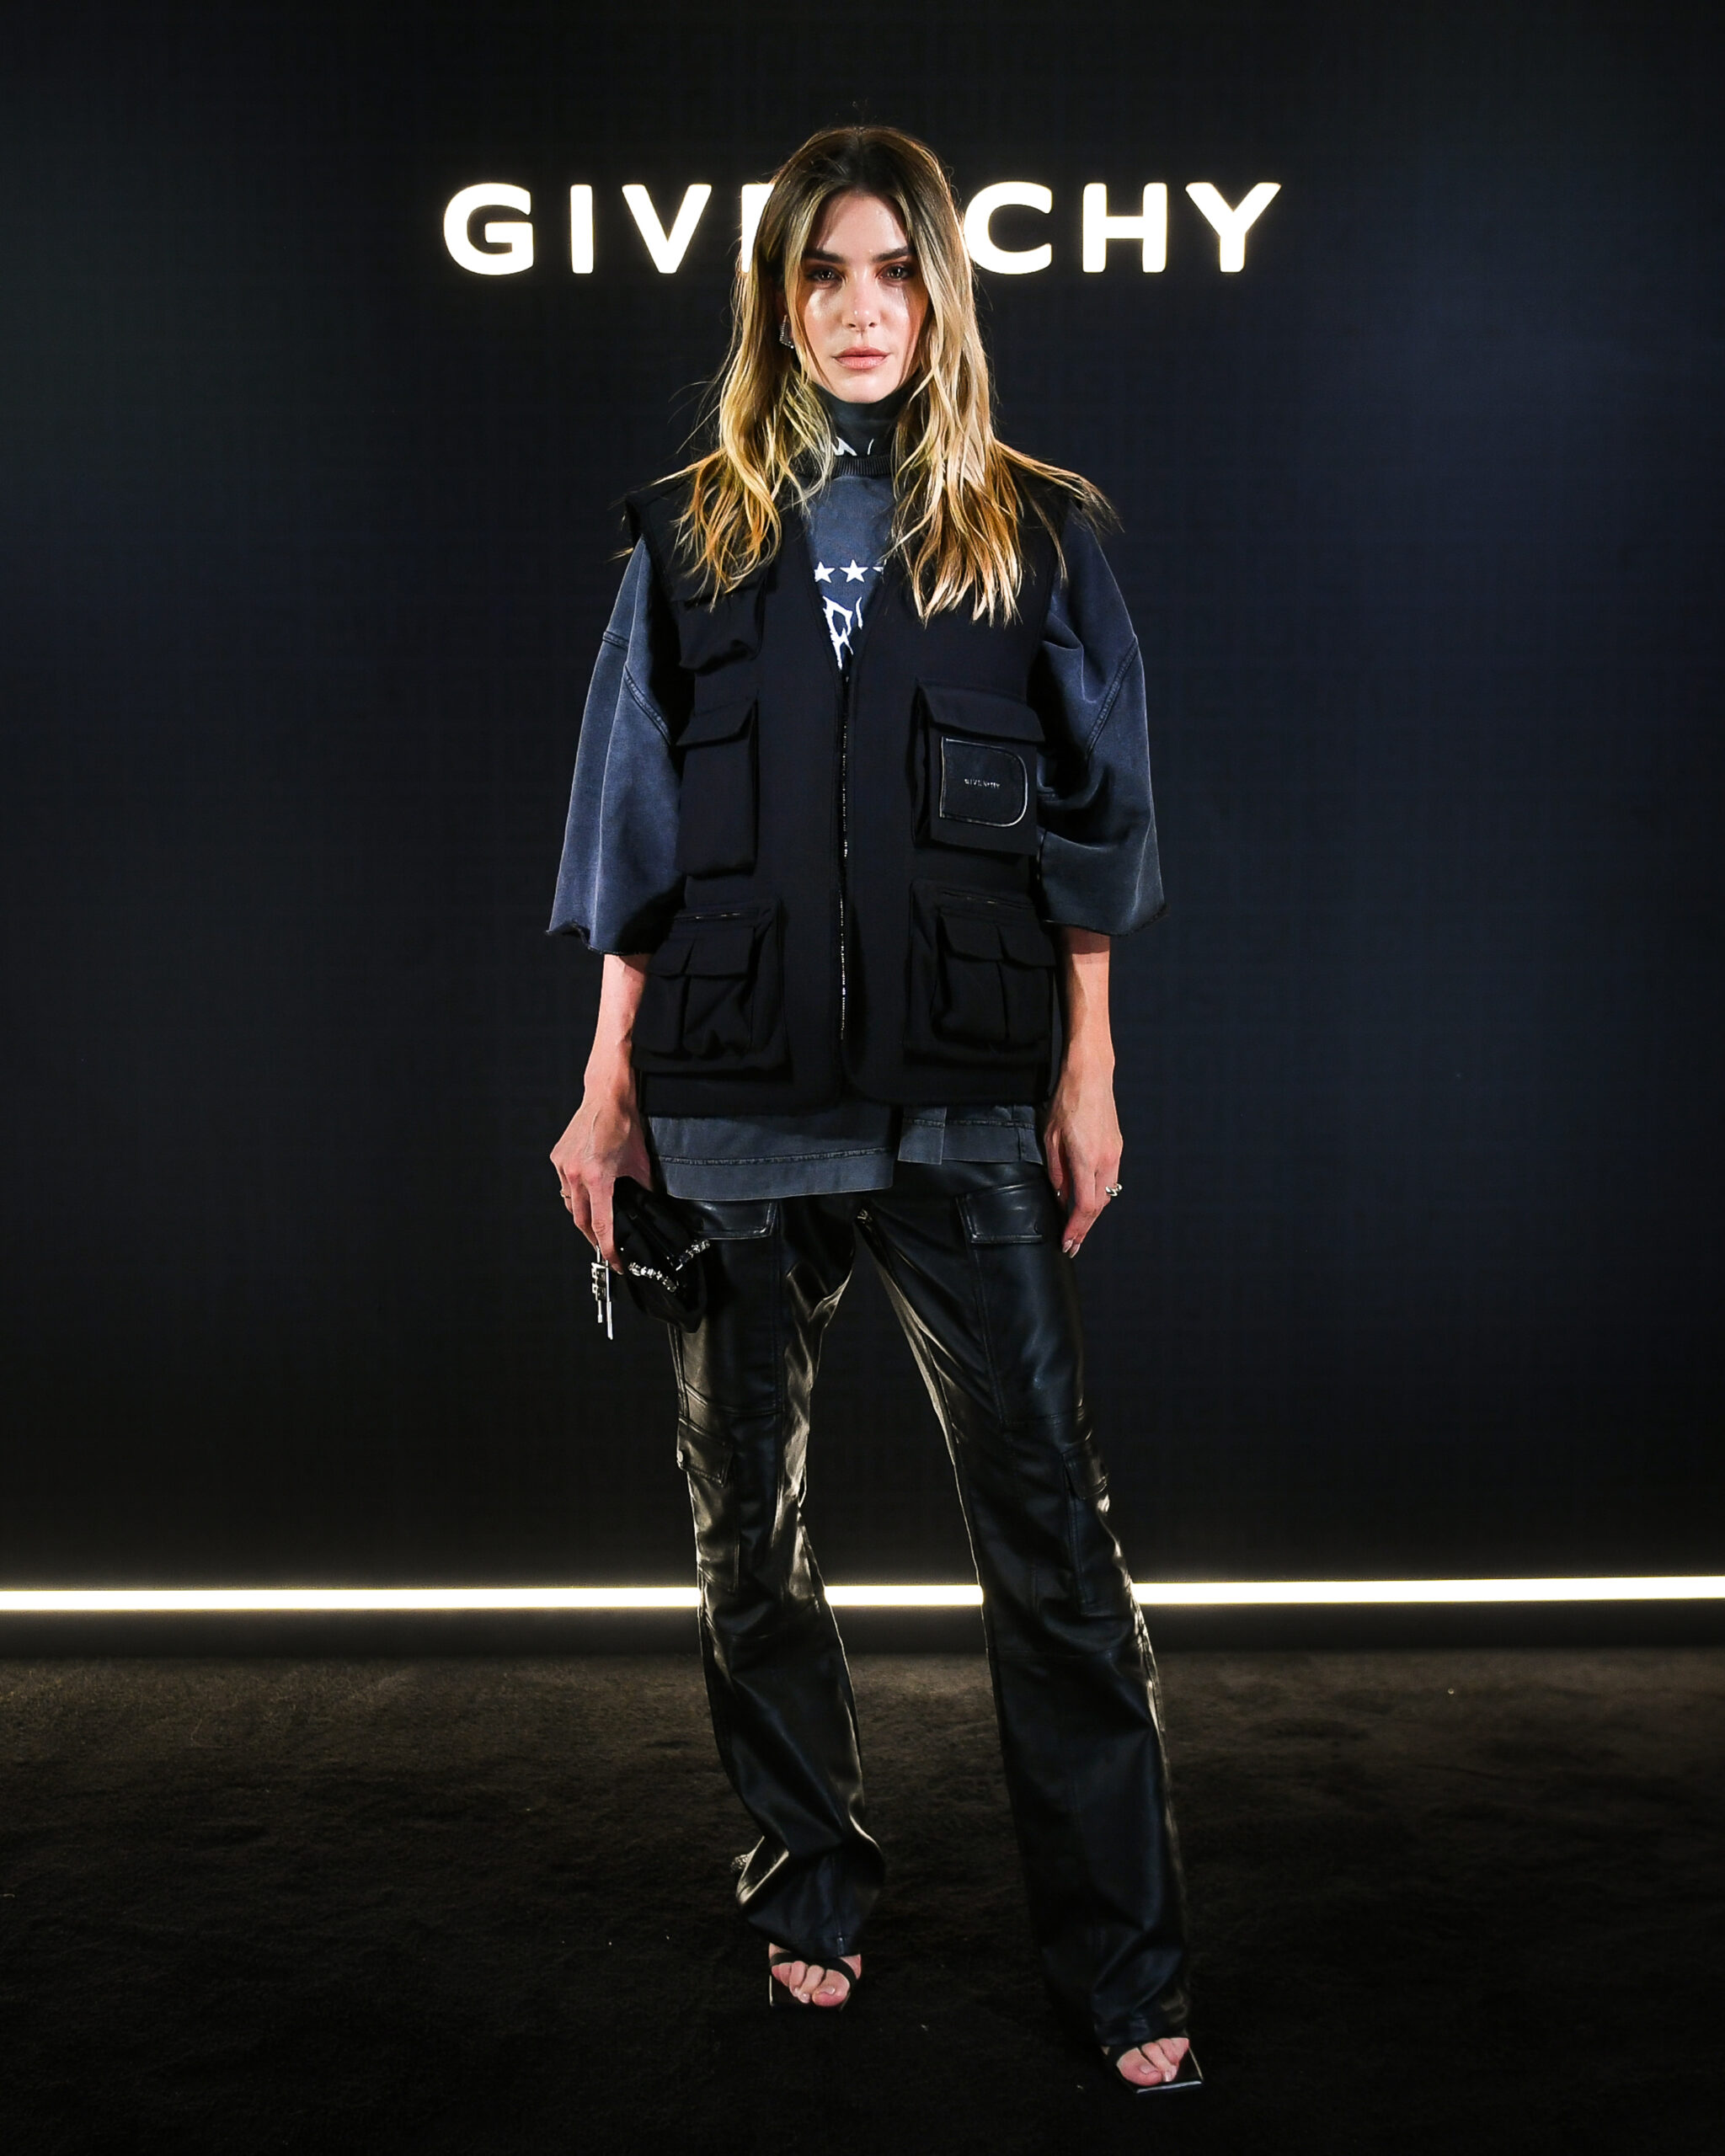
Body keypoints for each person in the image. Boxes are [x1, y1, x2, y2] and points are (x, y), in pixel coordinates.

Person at [548, 125, 1193, 2092]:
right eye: (821, 271)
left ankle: (1126, 1964)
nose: (857, 306)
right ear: (776, 298)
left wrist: (1088, 1065)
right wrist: (604, 1087)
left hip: (966, 1099)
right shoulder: (686, 536)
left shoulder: (1032, 527)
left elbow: (1098, 825)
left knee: (1051, 1537)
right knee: (746, 1528)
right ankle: (806, 1882)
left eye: (892, 269)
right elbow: (634, 833)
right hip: (733, 1101)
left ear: (939, 294)